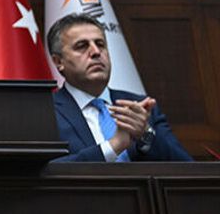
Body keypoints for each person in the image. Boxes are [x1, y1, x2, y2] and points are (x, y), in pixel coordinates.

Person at [48, 13, 191, 162]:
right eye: (82, 46)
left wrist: (145, 135)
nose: (96, 52)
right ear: (58, 62)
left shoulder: (141, 107)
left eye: (100, 44)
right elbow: (41, 171)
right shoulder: (46, 113)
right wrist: (113, 146)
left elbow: (185, 167)